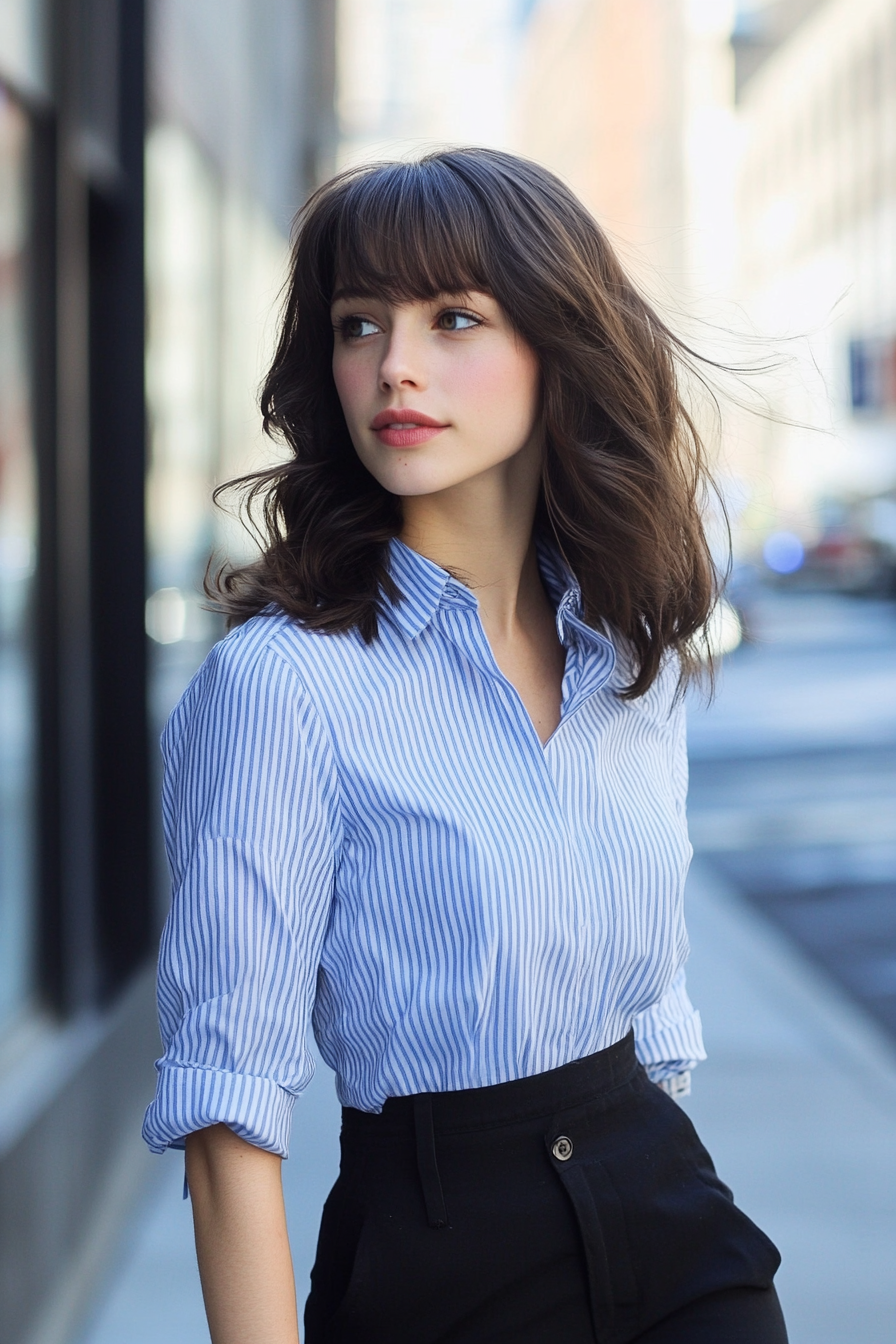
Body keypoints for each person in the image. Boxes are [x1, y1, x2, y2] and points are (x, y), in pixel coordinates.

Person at [142, 148, 788, 1344]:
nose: (394, 366)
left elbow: (653, 1004)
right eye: (357, 325)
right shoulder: (280, 687)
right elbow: (229, 1115)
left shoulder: (622, 645)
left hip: (672, 1228)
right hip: (440, 1266)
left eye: (452, 319)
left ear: (556, 344)